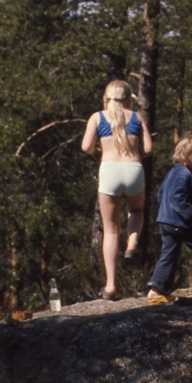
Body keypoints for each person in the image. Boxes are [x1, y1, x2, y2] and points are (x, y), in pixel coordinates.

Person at [81, 79, 154, 299]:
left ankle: (111, 285)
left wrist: (98, 153)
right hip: (133, 169)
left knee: (110, 229)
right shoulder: (137, 117)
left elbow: (85, 146)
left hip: (109, 170)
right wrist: (134, 157)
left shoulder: (98, 117)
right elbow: (149, 148)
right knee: (137, 211)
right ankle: (132, 243)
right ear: (127, 98)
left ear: (106, 98)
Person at [145, 136, 192, 305]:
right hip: (180, 222)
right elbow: (176, 199)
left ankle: (155, 292)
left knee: (169, 255)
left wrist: (166, 213)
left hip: (166, 222)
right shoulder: (183, 174)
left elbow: (161, 195)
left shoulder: (173, 172)